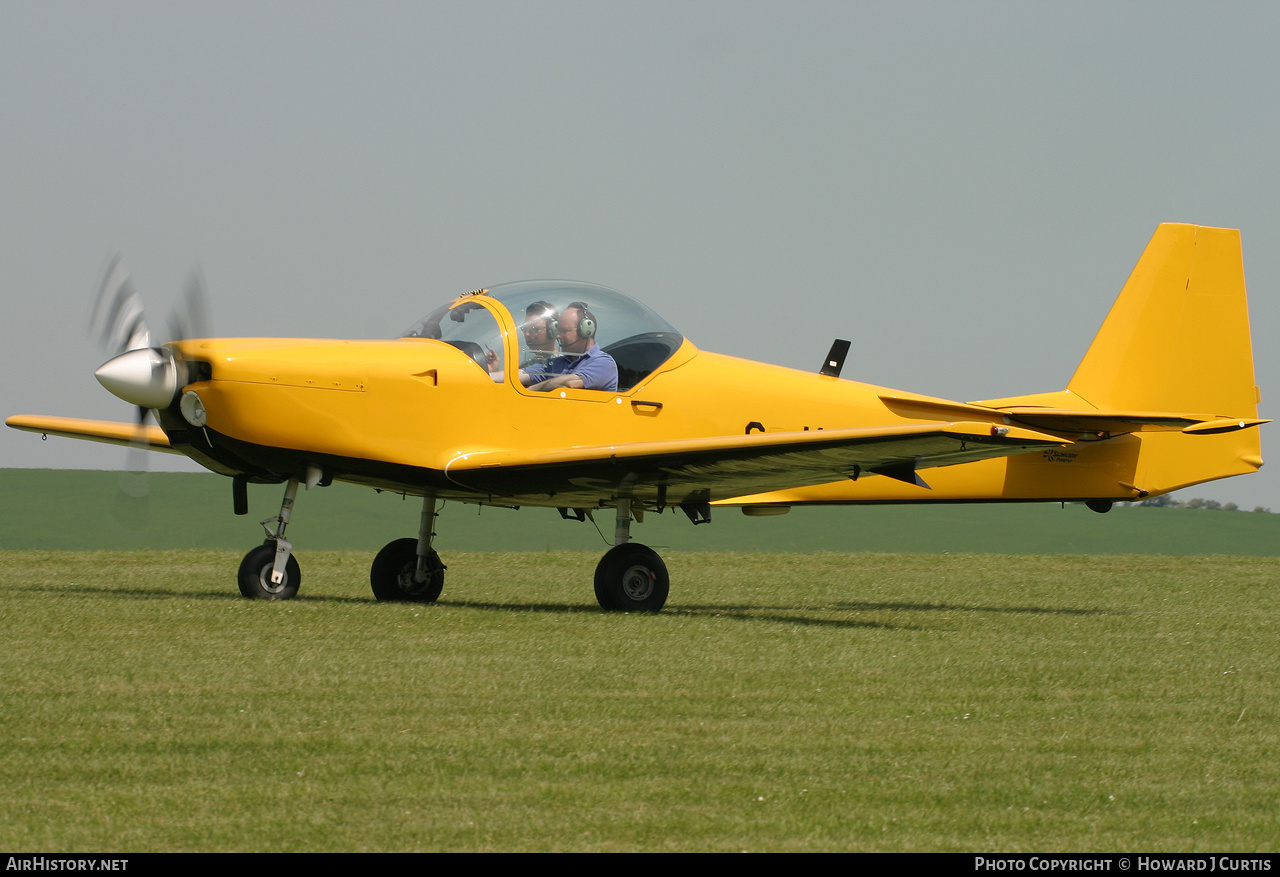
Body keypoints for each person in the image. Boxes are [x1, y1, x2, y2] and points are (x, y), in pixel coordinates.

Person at [522, 301, 618, 392]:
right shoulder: (555, 363)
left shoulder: (604, 363)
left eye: (564, 331)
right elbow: (522, 375)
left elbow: (569, 383)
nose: (558, 336)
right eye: (558, 330)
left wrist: (530, 390)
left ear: (586, 331)